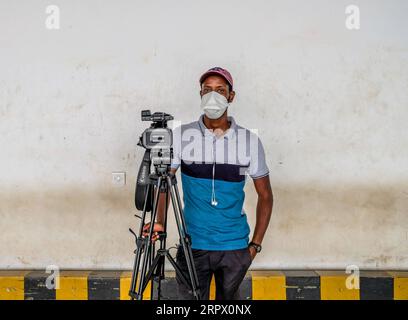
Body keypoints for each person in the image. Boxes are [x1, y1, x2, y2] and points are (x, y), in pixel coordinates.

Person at [143, 67, 273, 300]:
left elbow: (265, 196)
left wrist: (255, 246)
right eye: (207, 90)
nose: (213, 96)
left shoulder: (249, 142)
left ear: (231, 96)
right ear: (200, 94)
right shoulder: (181, 136)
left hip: (234, 246)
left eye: (220, 90)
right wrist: (160, 222)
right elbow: (164, 184)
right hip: (193, 244)